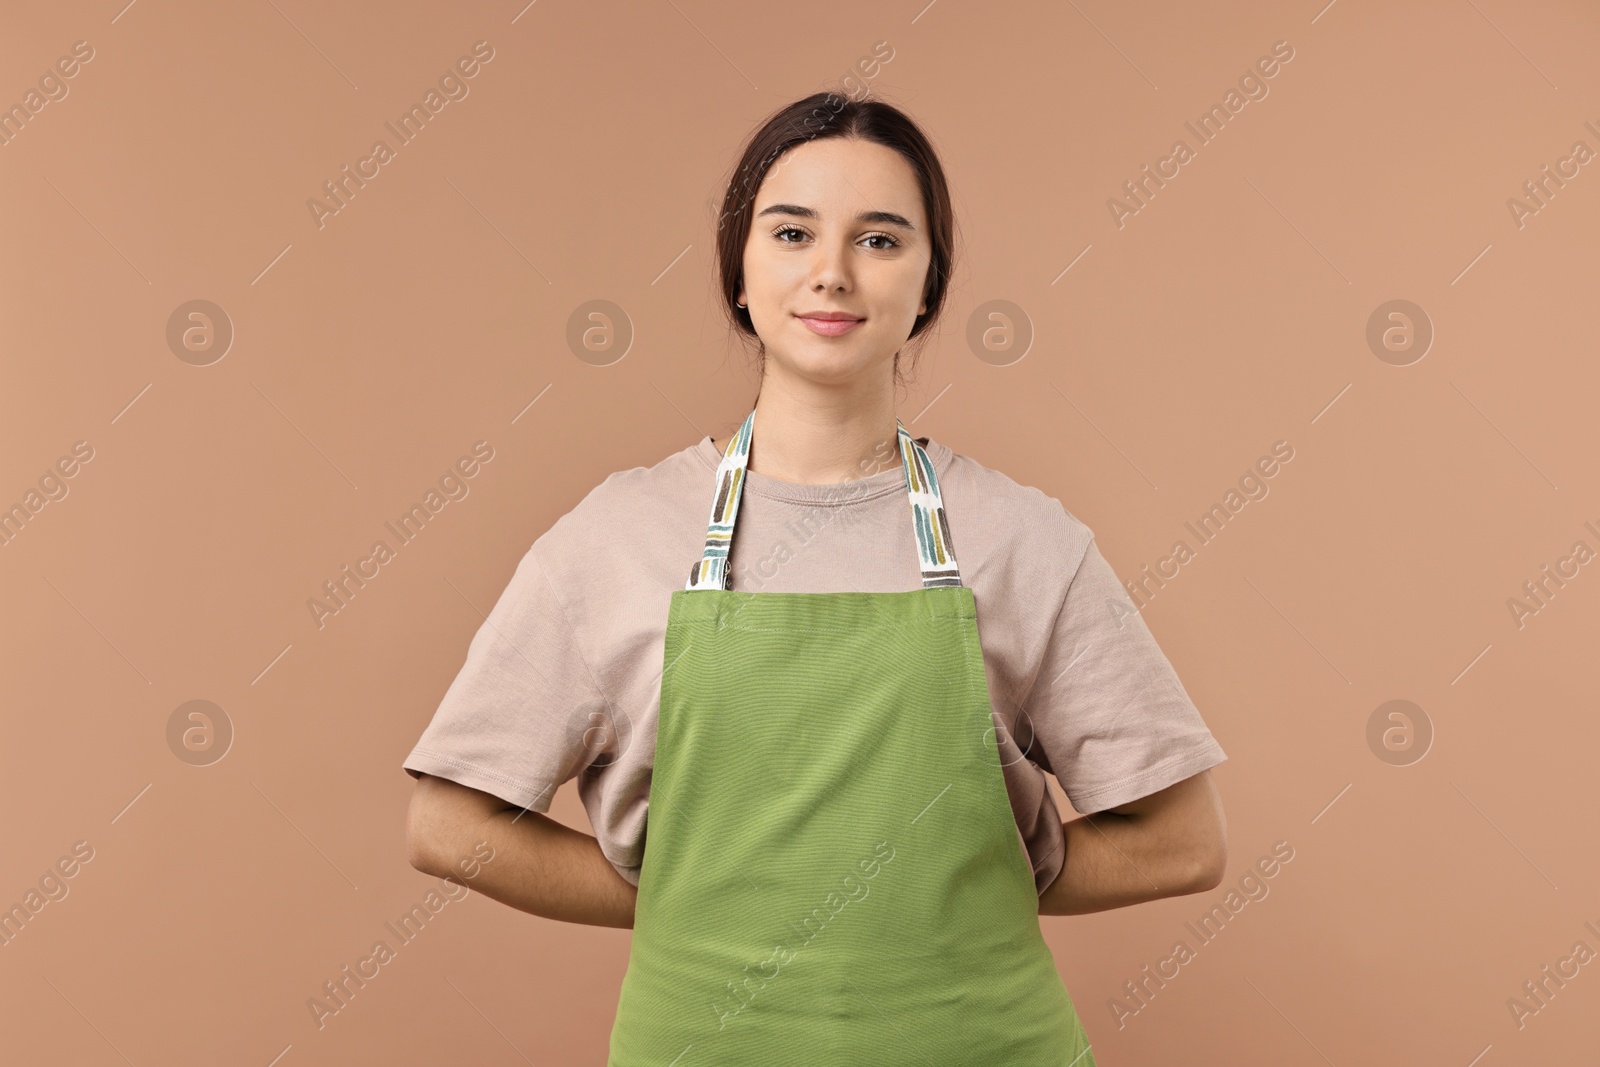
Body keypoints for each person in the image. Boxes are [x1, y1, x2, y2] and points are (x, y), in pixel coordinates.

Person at [404, 91, 1228, 1064]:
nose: (831, 273)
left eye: (880, 241)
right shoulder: (615, 538)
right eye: (792, 232)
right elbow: (449, 827)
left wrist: (959, 878)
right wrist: (682, 892)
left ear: (928, 285)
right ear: (739, 273)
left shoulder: (1021, 539)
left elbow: (1184, 841)